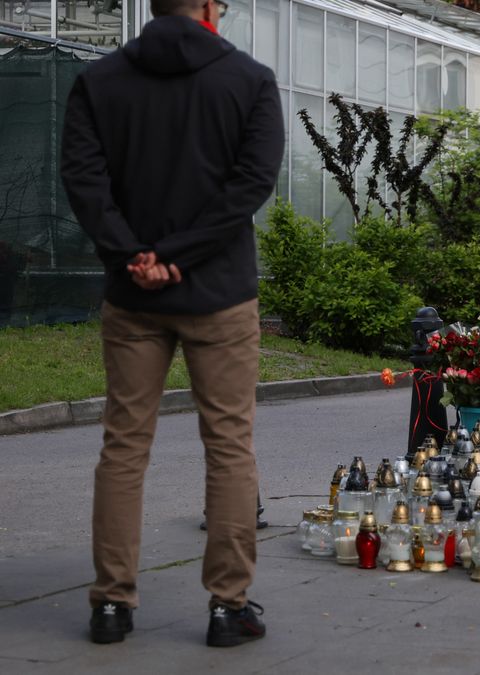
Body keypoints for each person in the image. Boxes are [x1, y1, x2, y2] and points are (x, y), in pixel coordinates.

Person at [59, 0, 284, 648]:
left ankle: (111, 604)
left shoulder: (98, 82)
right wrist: (180, 254)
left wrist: (135, 255)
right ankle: (227, 605)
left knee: (124, 447)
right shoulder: (250, 81)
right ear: (210, 6)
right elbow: (249, 186)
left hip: (133, 299)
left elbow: (85, 181)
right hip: (219, 295)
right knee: (230, 447)